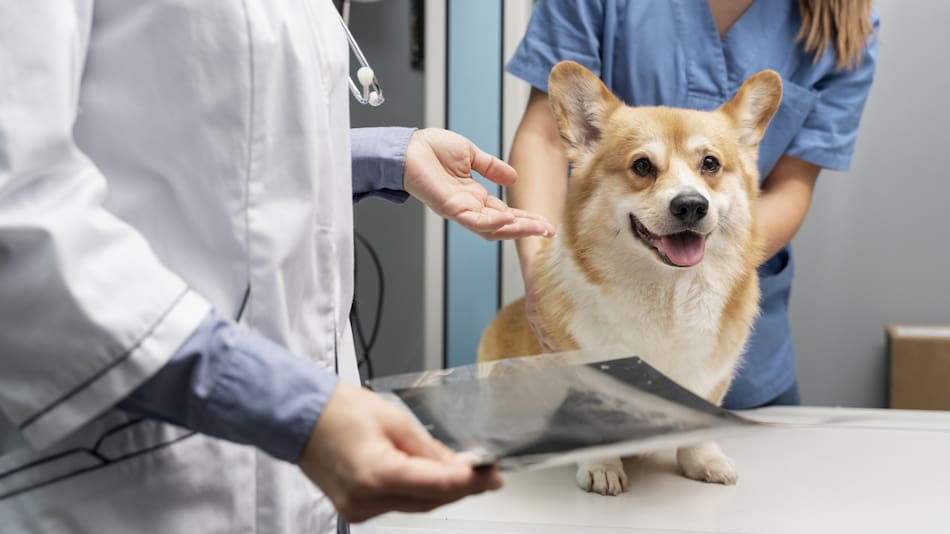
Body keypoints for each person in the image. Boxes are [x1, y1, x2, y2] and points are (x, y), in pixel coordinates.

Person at [0, 2, 554, 533]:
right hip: (134, 483)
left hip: (301, 482)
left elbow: (204, 146)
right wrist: (294, 407)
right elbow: (20, 217)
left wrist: (382, 156)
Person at [505, 0, 879, 408]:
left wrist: (708, 270)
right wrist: (541, 268)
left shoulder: (846, 20)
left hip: (731, 348)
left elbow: (792, 187)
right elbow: (544, 137)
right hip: (595, 327)